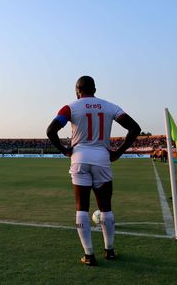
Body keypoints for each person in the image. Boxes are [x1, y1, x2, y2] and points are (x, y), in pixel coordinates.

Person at [47, 76, 141, 266]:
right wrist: (118, 152)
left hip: (79, 158)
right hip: (102, 158)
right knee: (106, 207)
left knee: (82, 207)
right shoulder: (109, 106)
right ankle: (110, 251)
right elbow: (134, 128)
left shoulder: (70, 107)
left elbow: (51, 130)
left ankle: (89, 255)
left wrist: (66, 150)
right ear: (95, 89)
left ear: (77, 90)